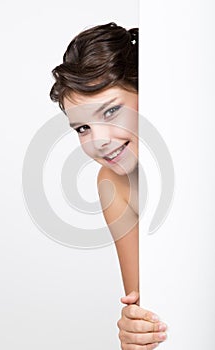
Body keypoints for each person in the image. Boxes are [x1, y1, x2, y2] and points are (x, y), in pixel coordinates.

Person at [49, 22, 167, 349]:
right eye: (83, 127)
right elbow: (145, 301)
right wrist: (136, 330)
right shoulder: (112, 184)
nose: (98, 141)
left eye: (111, 110)